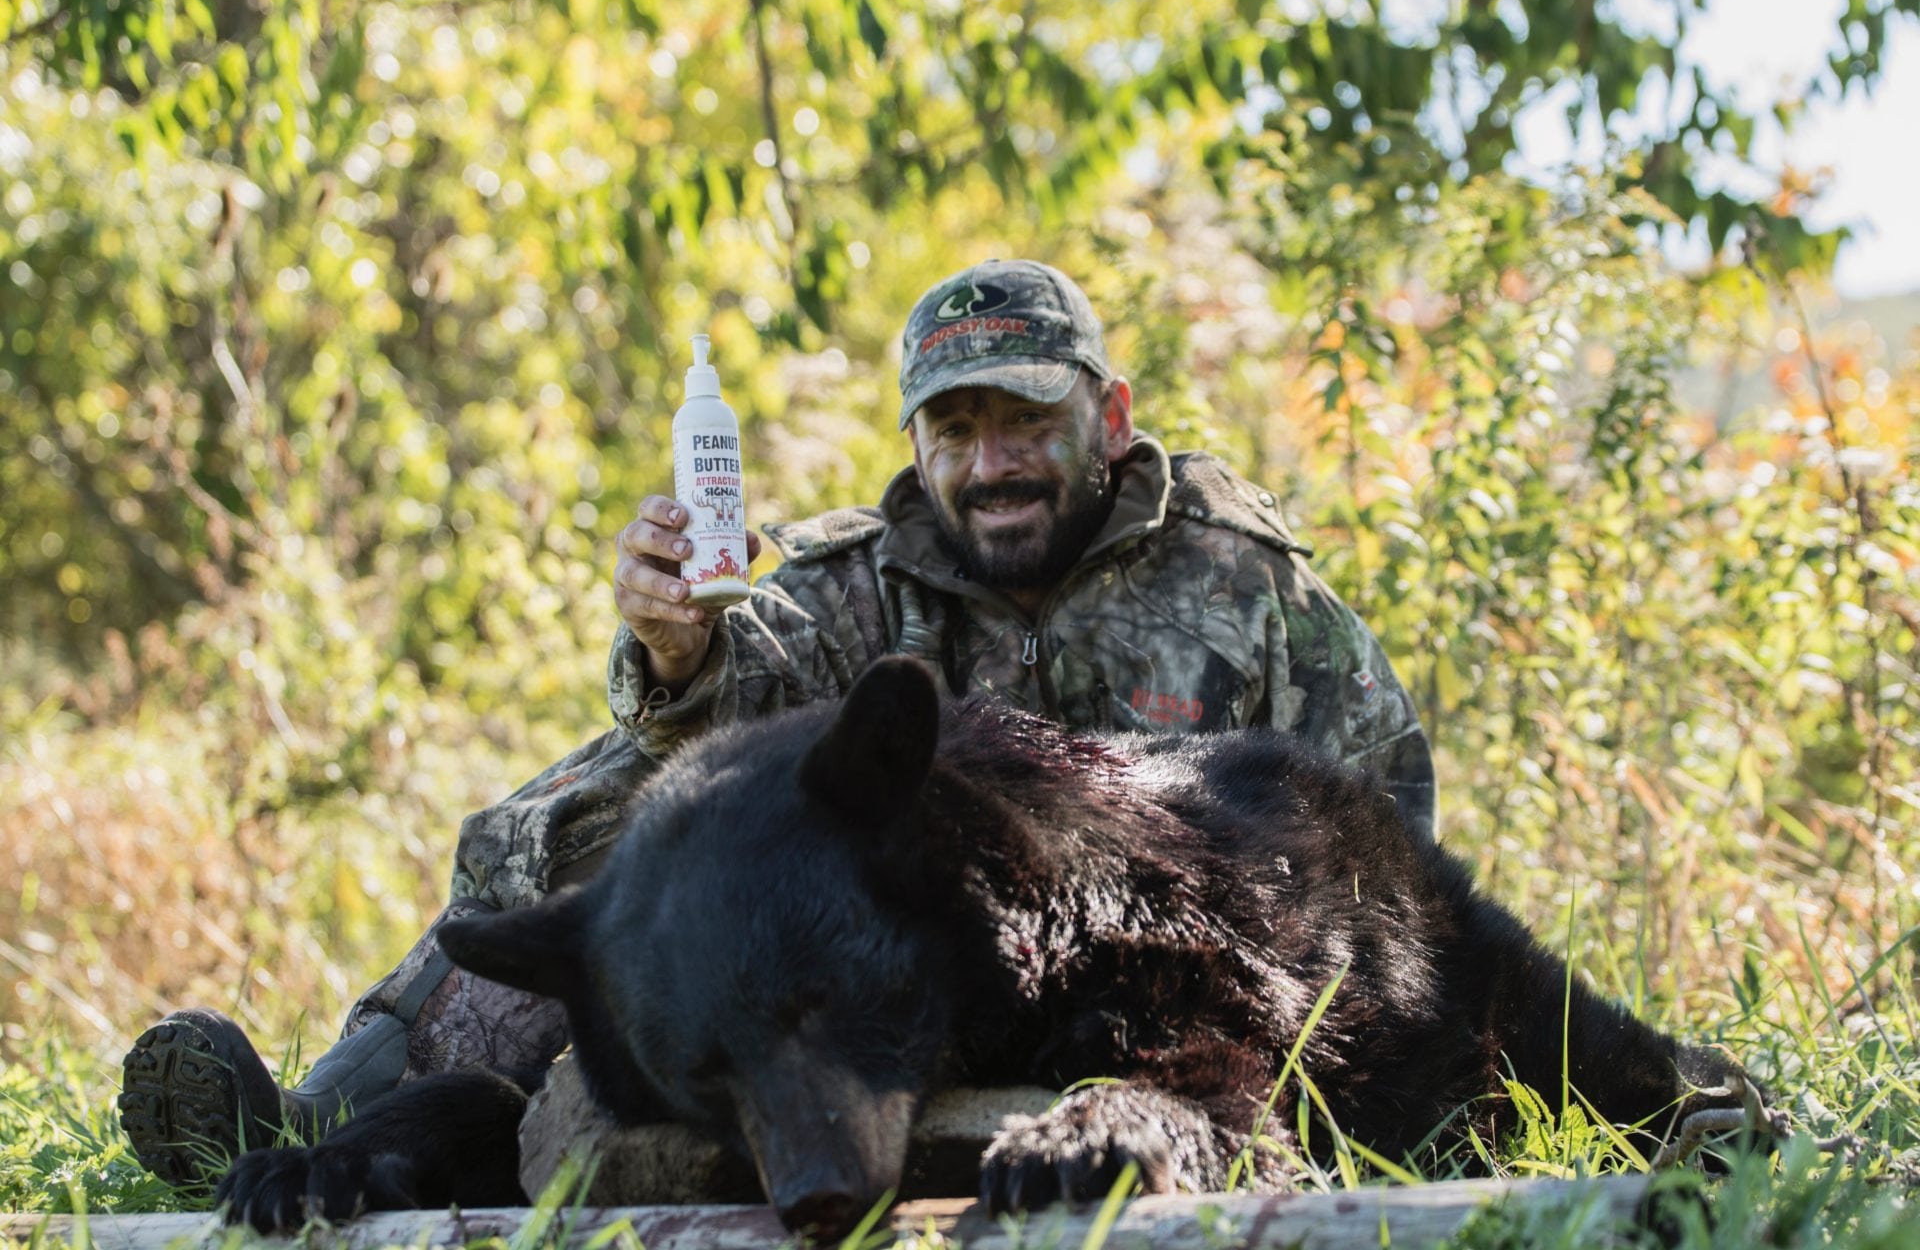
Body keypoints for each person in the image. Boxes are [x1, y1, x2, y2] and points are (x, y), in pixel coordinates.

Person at [118, 259, 1435, 1187]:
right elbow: (720, 756)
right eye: (957, 429)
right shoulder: (845, 580)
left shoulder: (1253, 593)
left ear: (1111, 416)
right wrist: (677, 646)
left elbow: (1381, 846)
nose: (993, 464)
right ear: (917, 444)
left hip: (1158, 1012)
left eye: (1028, 417)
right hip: (856, 1007)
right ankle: (324, 1109)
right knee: (605, 815)